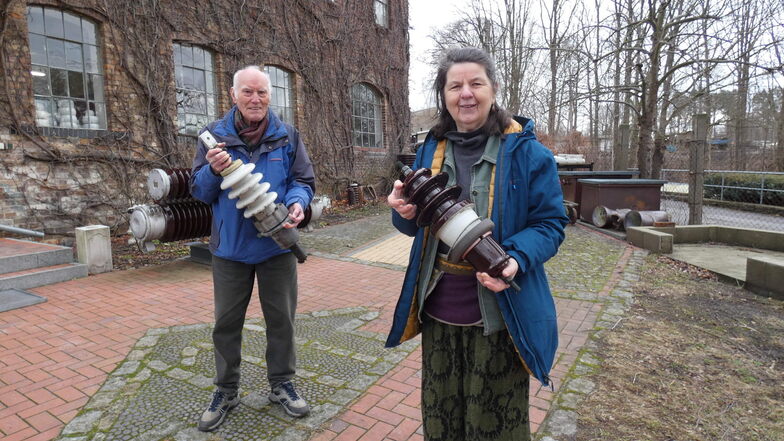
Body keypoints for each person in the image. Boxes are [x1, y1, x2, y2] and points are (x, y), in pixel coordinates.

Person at [385, 47, 568, 440]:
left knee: (495, 424)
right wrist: (402, 214)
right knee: (442, 419)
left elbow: (551, 223)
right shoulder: (427, 153)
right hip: (438, 312)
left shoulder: (528, 154)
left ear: (494, 89)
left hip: (501, 315)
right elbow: (414, 229)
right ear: (444, 95)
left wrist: (516, 259)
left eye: (475, 84)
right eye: (455, 86)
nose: (465, 94)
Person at [189, 65, 315, 431]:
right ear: (233, 95)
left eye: (262, 92)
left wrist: (298, 202)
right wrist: (213, 170)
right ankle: (226, 391)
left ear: (270, 95)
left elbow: (303, 180)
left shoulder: (286, 135)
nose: (255, 99)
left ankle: (281, 385)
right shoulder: (213, 137)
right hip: (229, 249)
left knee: (282, 321)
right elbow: (199, 191)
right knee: (226, 324)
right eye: (248, 92)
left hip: (276, 247)